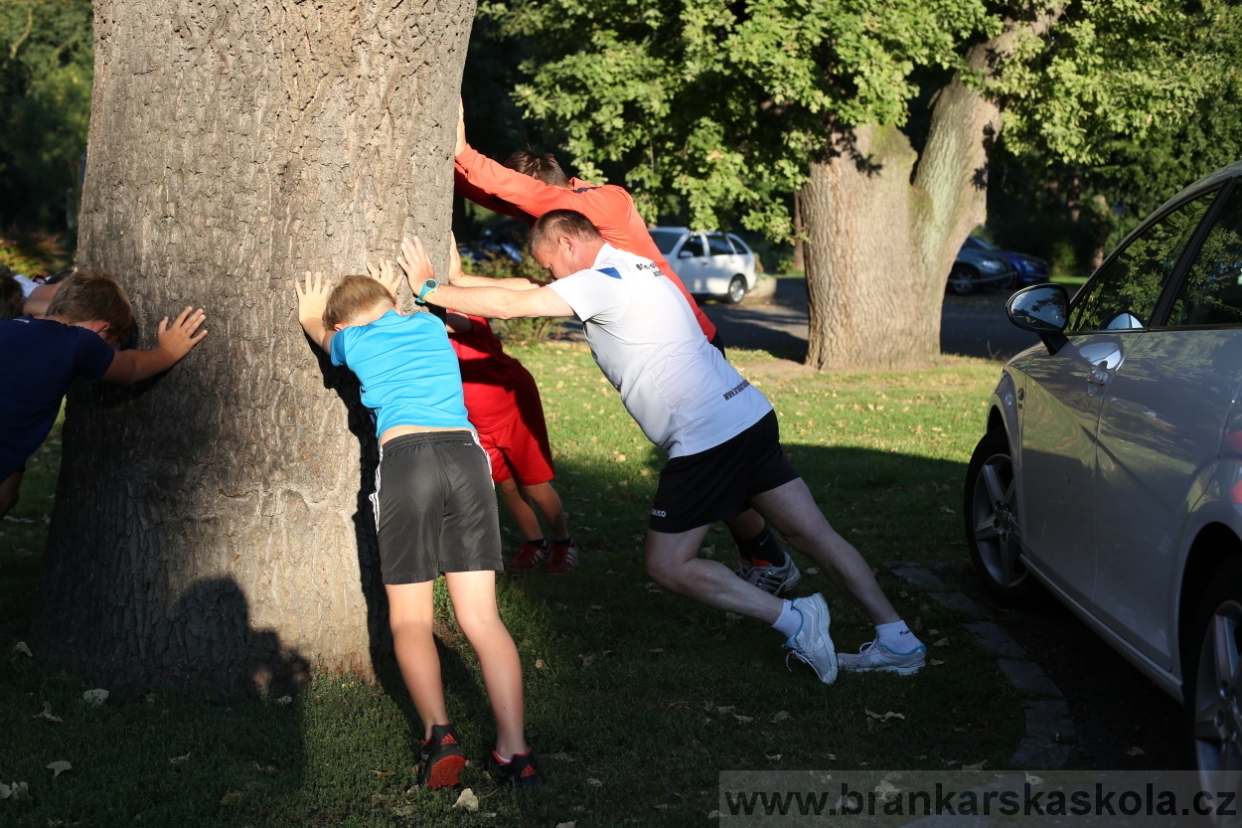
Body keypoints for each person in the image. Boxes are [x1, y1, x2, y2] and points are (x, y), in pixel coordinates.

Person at [398, 218, 928, 679]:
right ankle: (898, 639)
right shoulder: (631, 267)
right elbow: (526, 286)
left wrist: (431, 289)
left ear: (565, 242)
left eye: (551, 264)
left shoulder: (599, 283)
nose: (554, 277)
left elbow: (516, 305)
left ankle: (795, 619)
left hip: (707, 438)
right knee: (812, 533)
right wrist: (464, 280)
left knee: (667, 564)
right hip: (747, 412)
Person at [454, 109, 799, 595]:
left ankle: (768, 556)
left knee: (713, 461)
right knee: (717, 465)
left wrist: (464, 154)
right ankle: (765, 554)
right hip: (675, 343)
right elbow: (507, 196)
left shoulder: (604, 204)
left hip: (688, 340)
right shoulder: (571, 217)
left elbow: (526, 197)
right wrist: (453, 170)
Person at [292, 265, 541, 788]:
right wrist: (395, 293)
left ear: (345, 323)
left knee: (409, 618)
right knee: (483, 617)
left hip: (407, 460)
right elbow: (426, 316)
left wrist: (313, 316)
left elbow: (321, 332)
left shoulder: (350, 341)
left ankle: (439, 736)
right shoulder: (428, 326)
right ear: (392, 303)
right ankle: (515, 753)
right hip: (467, 458)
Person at [0, 269, 207, 518]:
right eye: (113, 344)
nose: (111, 352)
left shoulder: (10, 326)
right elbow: (130, 368)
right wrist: (169, 353)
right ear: (100, 328)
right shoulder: (79, 341)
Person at [445, 303, 578, 574]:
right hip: (477, 420)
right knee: (506, 486)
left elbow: (456, 323)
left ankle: (564, 543)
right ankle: (535, 543)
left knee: (533, 485)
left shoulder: (466, 312)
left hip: (512, 408)